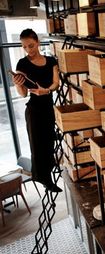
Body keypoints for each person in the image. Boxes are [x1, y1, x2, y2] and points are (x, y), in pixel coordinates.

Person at [12, 28, 62, 192]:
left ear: (38, 43)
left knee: (49, 143)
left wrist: (45, 90)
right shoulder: (22, 64)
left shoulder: (51, 61)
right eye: (24, 47)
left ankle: (47, 175)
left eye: (31, 46)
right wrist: (17, 83)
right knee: (37, 146)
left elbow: (56, 83)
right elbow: (23, 94)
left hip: (48, 107)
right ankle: (44, 179)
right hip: (34, 110)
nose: (28, 50)